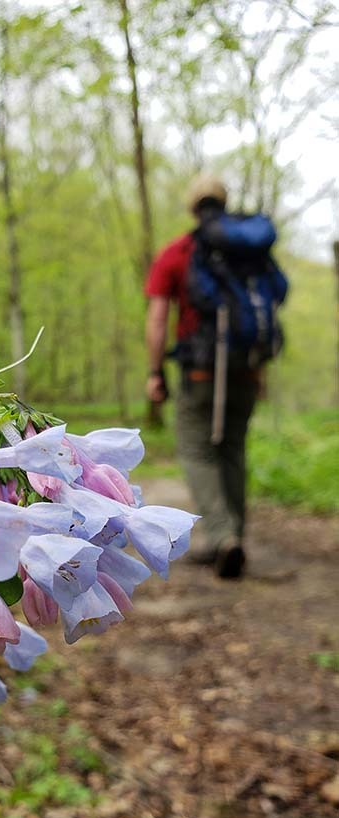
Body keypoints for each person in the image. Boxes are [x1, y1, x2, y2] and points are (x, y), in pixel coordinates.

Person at [144, 174, 286, 579]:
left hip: (200, 371)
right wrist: (258, 371)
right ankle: (233, 534)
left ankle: (223, 538)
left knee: (197, 450)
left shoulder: (179, 253)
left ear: (193, 208)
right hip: (245, 367)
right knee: (232, 451)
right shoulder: (249, 257)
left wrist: (155, 373)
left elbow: (157, 319)